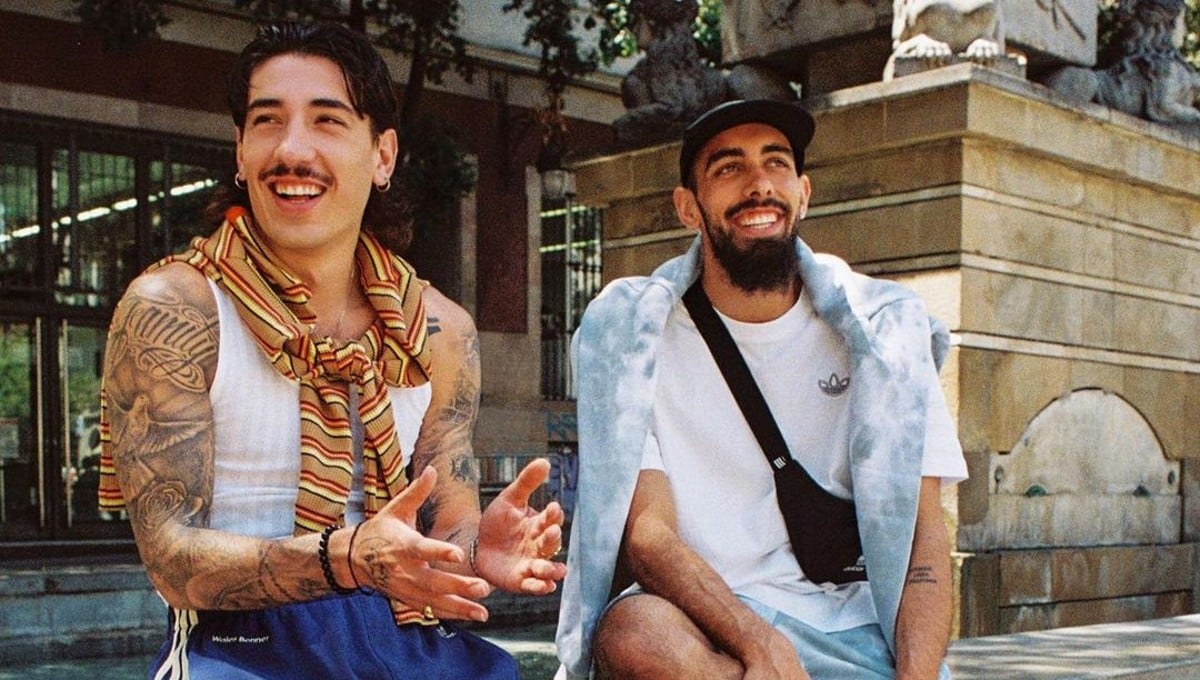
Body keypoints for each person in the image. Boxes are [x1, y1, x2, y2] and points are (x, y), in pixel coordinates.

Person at [98, 21, 566, 679]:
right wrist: (345, 559)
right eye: (267, 121)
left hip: (401, 638)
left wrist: (475, 552)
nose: (292, 149)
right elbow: (170, 562)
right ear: (240, 152)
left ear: (383, 156)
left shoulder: (439, 331)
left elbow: (445, 527)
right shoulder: (176, 309)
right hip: (233, 647)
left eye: (327, 120)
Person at [555, 99, 968, 679]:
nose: (759, 185)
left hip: (853, 628)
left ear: (804, 193)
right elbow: (648, 536)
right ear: (688, 207)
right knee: (633, 632)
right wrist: (760, 646)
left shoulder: (886, 329)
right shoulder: (630, 334)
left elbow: (925, 541)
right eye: (729, 168)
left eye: (776, 163)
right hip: (711, 623)